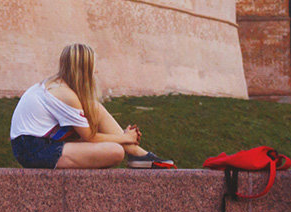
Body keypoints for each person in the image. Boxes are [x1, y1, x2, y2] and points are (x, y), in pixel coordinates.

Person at [9, 43, 174, 169]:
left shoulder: (55, 85)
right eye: (94, 66)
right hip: (33, 150)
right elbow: (90, 137)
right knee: (115, 152)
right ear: (85, 69)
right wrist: (125, 137)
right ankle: (136, 154)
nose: (96, 72)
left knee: (94, 107)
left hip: (39, 142)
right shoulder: (66, 95)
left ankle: (138, 155)